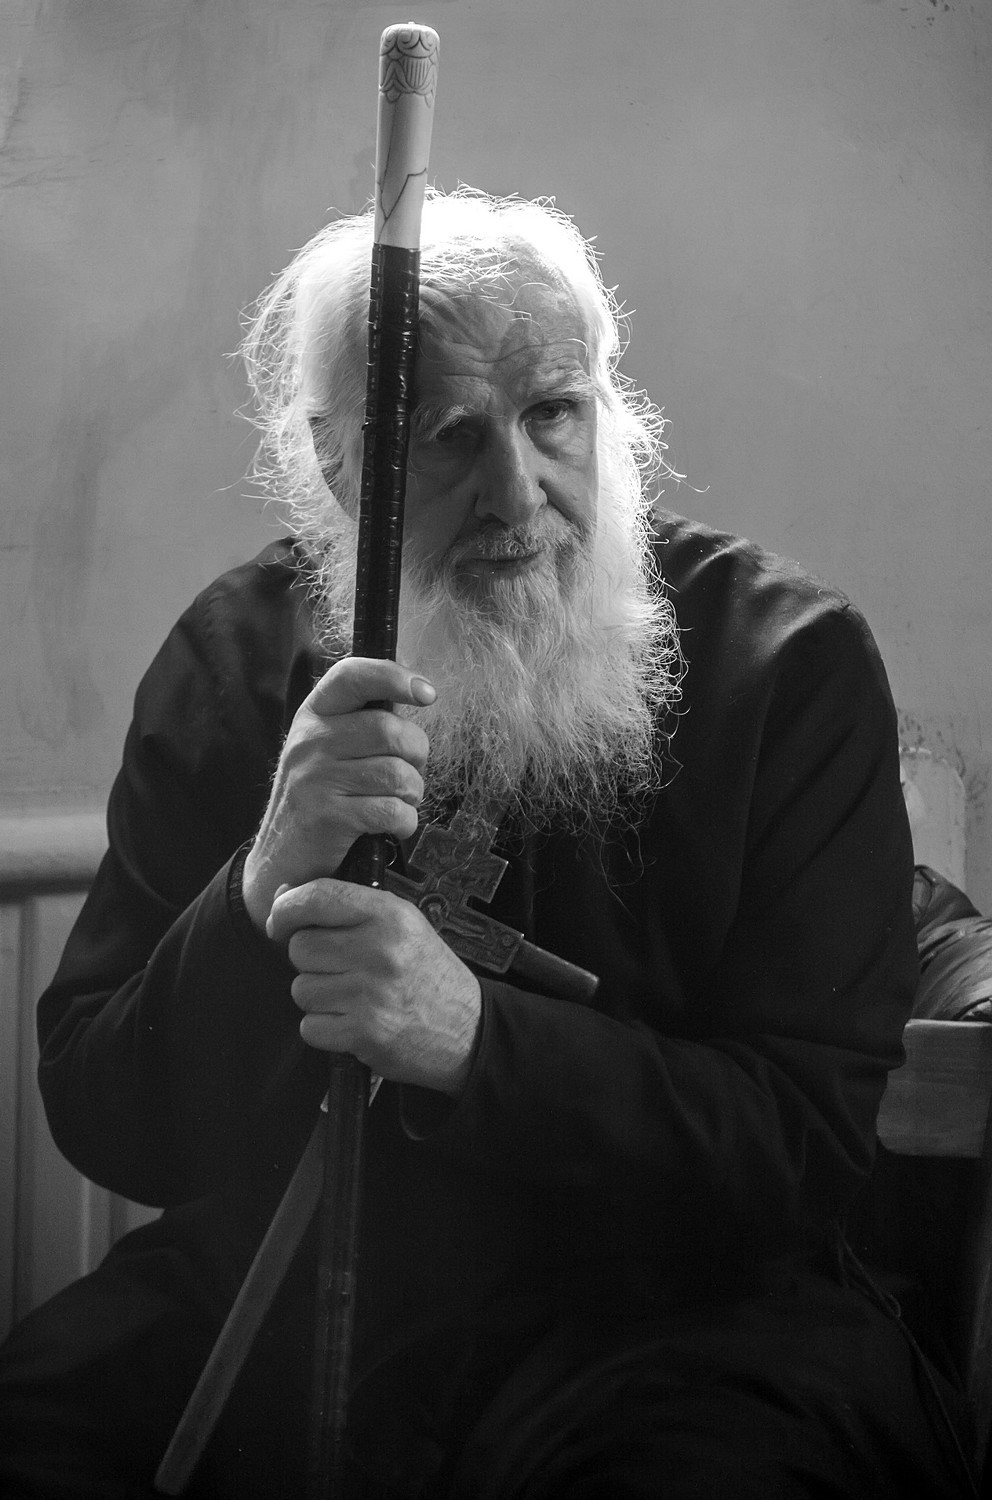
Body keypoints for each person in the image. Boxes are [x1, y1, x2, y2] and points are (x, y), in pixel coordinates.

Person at [0, 188, 977, 1499]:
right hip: (301, 1279)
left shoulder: (787, 665)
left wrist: (475, 1040)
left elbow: (805, 1151)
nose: (517, 491)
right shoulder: (236, 658)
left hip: (686, 1308)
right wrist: (264, 877)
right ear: (342, 467)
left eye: (553, 412)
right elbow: (106, 1117)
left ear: (608, 411)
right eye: (453, 434)